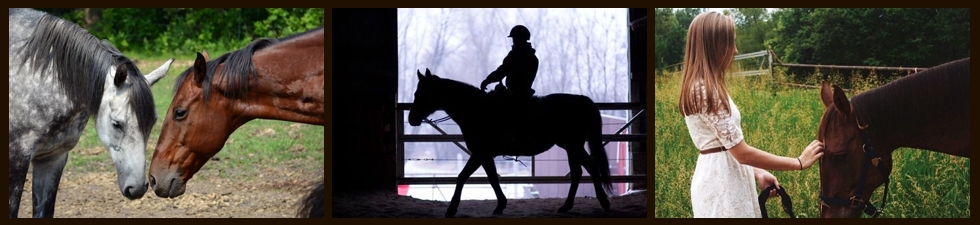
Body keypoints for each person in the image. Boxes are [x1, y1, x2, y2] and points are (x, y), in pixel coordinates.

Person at [677, 11, 825, 218]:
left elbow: (726, 146)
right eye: (731, 43)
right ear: (714, 46)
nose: (736, 50)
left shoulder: (705, 87)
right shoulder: (705, 91)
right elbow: (742, 153)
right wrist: (798, 162)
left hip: (725, 177)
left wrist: (757, 172)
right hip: (722, 186)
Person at [480, 25, 540, 111]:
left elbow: (516, 76)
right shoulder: (514, 55)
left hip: (520, 97)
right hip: (511, 93)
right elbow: (503, 70)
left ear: (522, 39)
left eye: (515, 38)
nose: (514, 41)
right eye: (513, 39)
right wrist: (488, 80)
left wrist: (506, 91)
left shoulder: (528, 57)